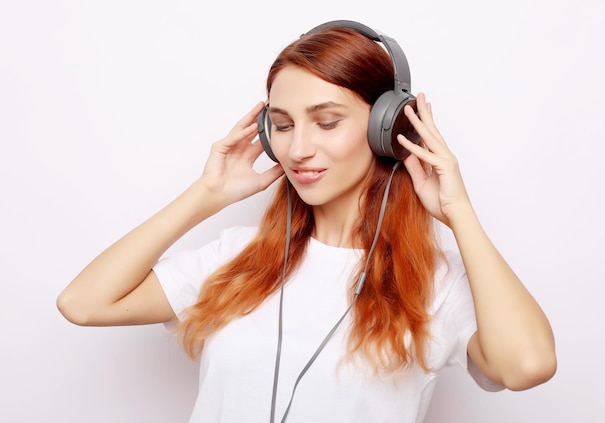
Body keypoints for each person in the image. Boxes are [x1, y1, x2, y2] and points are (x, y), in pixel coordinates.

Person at [57, 20, 556, 423]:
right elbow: (83, 303)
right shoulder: (238, 256)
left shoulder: (436, 282)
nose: (298, 149)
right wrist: (205, 195)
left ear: (387, 127)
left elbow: (527, 366)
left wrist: (458, 212)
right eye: (283, 124)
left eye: (327, 121)